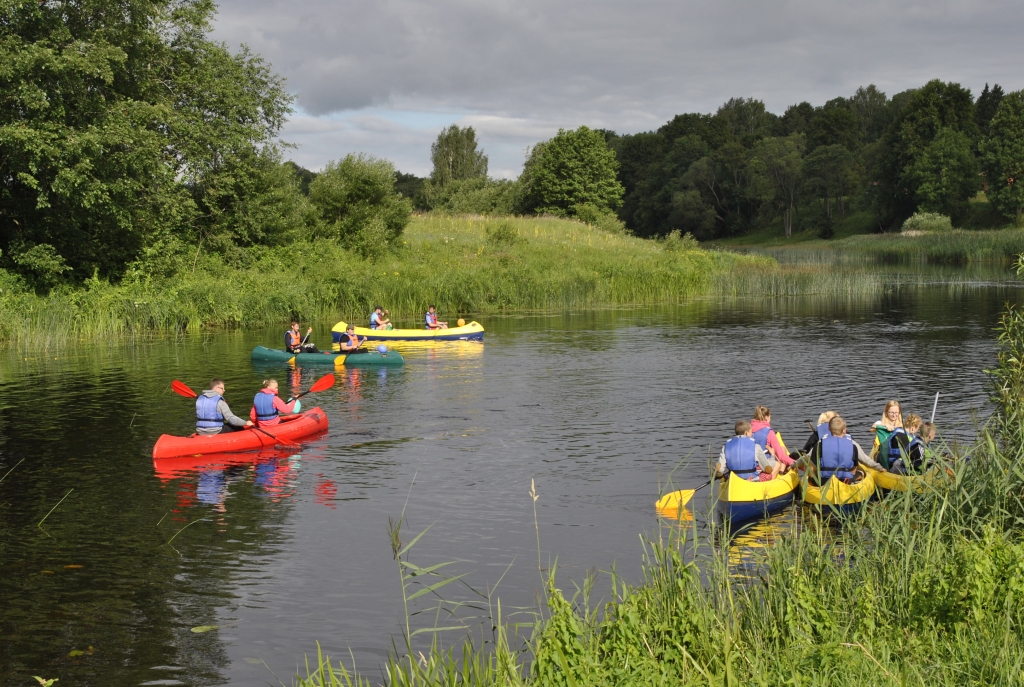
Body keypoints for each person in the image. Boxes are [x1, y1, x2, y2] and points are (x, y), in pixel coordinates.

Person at [812, 415, 883, 484]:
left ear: (829, 429)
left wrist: (800, 463)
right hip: (845, 480)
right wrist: (880, 468)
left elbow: (812, 463)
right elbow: (863, 462)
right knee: (860, 473)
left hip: (825, 480)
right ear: (844, 430)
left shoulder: (820, 443)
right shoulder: (852, 444)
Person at [715, 420, 781, 482]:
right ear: (746, 433)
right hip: (751, 480)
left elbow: (721, 470)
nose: (752, 434)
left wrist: (719, 473)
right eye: (751, 432)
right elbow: (767, 468)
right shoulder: (755, 446)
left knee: (725, 476)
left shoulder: (726, 446)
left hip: (734, 480)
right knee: (770, 472)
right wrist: (772, 456)